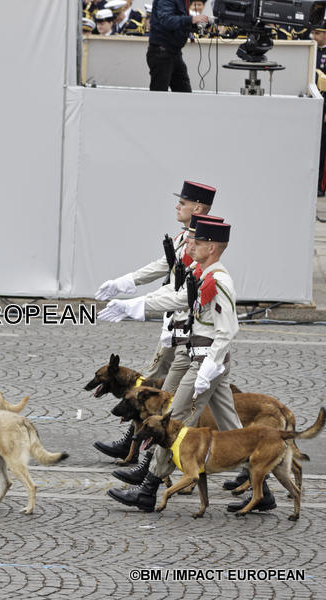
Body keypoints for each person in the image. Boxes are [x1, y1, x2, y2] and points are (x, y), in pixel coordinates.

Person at [99, 220, 276, 514]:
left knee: (174, 421)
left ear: (212, 247)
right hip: (205, 360)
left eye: (196, 242)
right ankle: (264, 491)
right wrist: (136, 305)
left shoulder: (218, 280)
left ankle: (147, 490)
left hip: (205, 362)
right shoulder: (203, 274)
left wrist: (210, 366)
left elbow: (228, 329)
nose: (189, 245)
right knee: (231, 425)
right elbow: (180, 297)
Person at [93, 180, 215, 464]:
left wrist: (137, 304)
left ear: (197, 207)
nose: (177, 206)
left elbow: (180, 292)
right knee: (179, 397)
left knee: (158, 393)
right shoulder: (186, 237)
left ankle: (144, 455)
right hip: (177, 328)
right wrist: (127, 282)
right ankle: (140, 449)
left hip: (187, 332)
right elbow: (165, 267)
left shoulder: (199, 242)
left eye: (182, 203)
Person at [147, 0, 210, 92]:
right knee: (159, 94)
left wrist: (202, 25)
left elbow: (180, 23)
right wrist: (192, 19)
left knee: (184, 94)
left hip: (174, 53)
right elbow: (167, 20)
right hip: (162, 52)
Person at [314, 26, 326, 196]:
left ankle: (319, 185)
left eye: (317, 33)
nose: (313, 36)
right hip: (314, 102)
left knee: (322, 147)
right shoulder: (311, 50)